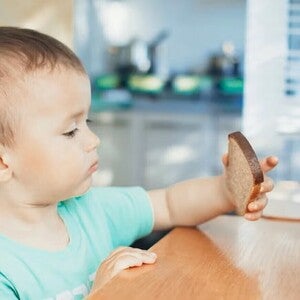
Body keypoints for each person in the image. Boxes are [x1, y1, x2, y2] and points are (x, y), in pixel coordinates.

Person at [0, 26, 278, 299]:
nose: (93, 140)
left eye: (88, 122)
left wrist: (225, 191)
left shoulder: (93, 211)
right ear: (2, 162)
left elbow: (170, 204)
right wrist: (101, 294)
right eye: (71, 131)